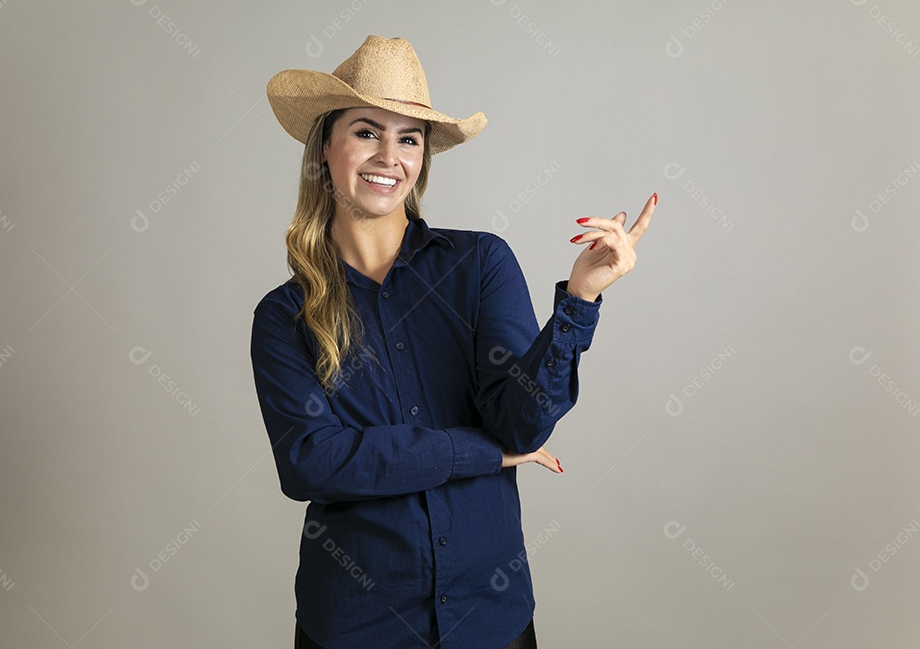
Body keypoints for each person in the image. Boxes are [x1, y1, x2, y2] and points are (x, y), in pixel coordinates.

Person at [251, 35, 656, 649]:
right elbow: (312, 463)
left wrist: (579, 302)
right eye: (367, 131)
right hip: (357, 626)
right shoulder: (284, 317)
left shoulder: (479, 264)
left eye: (408, 138)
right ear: (325, 149)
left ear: (422, 159)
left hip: (490, 618)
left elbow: (521, 427)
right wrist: (478, 453)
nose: (389, 155)